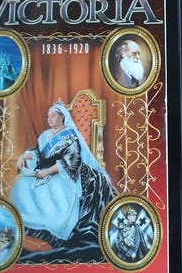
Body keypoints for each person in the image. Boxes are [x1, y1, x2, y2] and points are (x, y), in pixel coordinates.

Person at [12, 101, 115, 259]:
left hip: (64, 173)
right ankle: (29, 223)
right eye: (48, 116)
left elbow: (72, 161)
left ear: (62, 117)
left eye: (53, 115)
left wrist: (48, 171)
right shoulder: (45, 136)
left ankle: (52, 227)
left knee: (54, 189)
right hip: (45, 171)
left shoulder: (69, 137)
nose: (49, 118)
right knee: (22, 184)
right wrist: (24, 156)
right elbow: (39, 154)